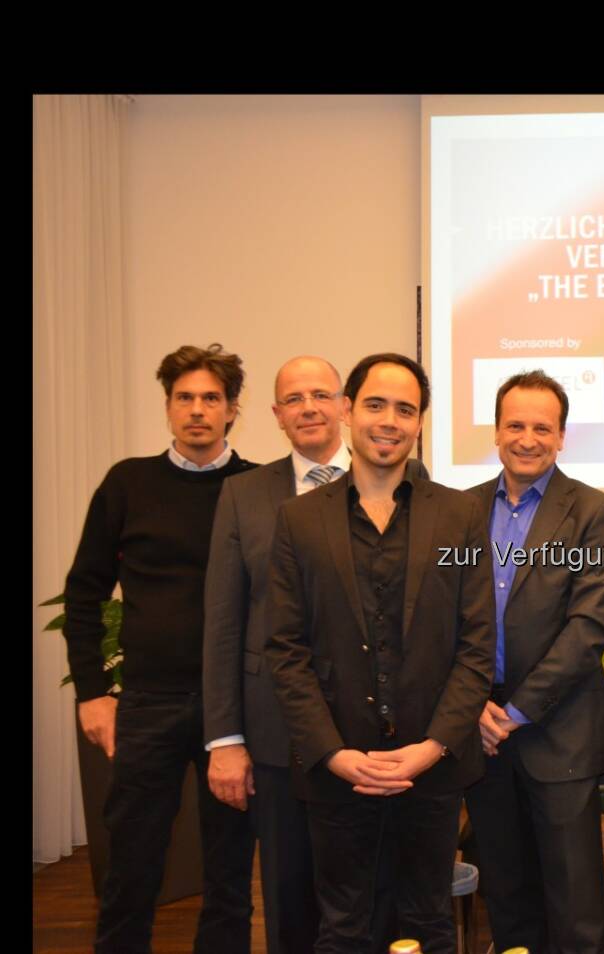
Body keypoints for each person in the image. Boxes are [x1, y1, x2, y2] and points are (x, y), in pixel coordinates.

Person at [266, 353, 493, 954]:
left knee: (430, 924)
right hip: (339, 768)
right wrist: (333, 754)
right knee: (343, 928)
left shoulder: (462, 515)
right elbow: (285, 650)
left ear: (420, 423)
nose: (389, 420)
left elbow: (477, 646)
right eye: (375, 404)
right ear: (347, 410)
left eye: (405, 409)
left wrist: (432, 746)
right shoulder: (298, 520)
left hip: (433, 765)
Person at [204, 355, 427, 952]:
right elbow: (224, 622)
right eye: (293, 398)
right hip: (280, 731)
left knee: (379, 895)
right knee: (291, 892)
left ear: (343, 406)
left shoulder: (417, 485)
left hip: (383, 734)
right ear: (276, 415)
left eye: (320, 394)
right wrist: (225, 739)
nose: (309, 407)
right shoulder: (244, 495)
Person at [63, 343, 256, 954]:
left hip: (235, 708)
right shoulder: (128, 483)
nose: (197, 410)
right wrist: (93, 693)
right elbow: (84, 591)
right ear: (169, 407)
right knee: (133, 861)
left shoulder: (255, 489)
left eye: (211, 399)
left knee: (229, 865)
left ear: (232, 411)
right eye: (184, 398)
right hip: (149, 703)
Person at [464, 369, 604, 954]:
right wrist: (474, 704)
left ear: (561, 437)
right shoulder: (460, 510)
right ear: (496, 431)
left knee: (574, 901)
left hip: (554, 728)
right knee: (505, 894)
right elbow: (442, 618)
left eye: (541, 427)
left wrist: (517, 710)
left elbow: (589, 628)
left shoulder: (593, 511)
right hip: (478, 729)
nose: (527, 438)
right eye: (515, 425)